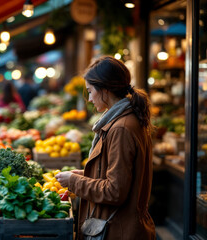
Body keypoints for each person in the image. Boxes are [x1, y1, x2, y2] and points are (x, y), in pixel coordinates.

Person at [55, 56, 156, 240]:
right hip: (121, 226)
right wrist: (84, 174)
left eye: (90, 91)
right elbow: (117, 176)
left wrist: (74, 181)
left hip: (119, 231)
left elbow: (114, 191)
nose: (89, 98)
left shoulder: (121, 128)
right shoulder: (124, 120)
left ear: (105, 89)